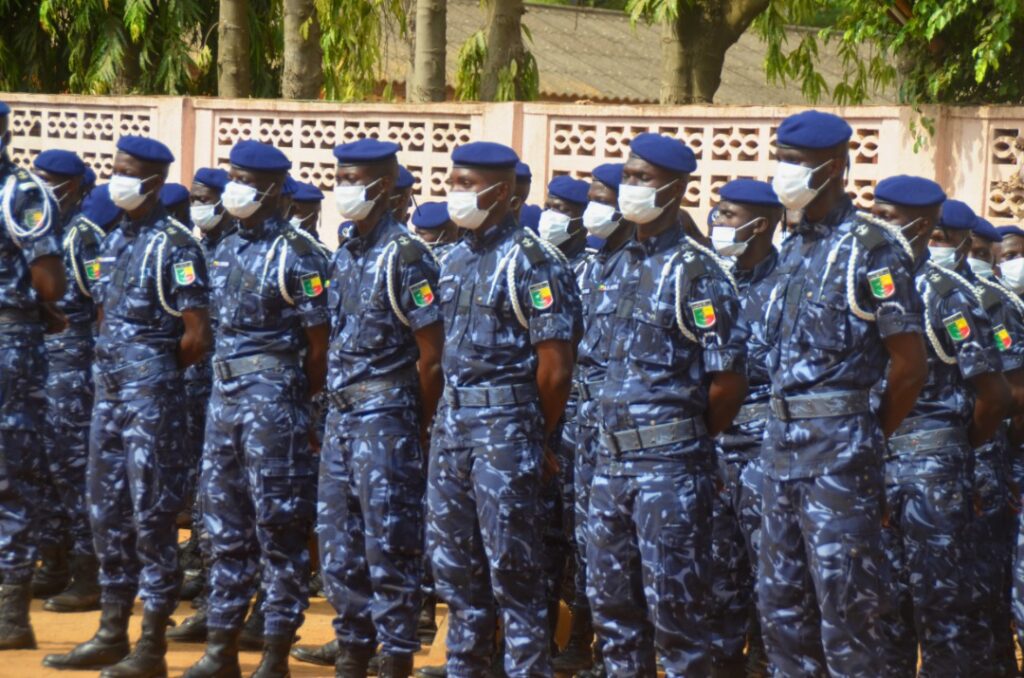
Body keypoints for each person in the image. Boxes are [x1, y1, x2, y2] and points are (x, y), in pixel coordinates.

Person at [758, 110, 928, 676]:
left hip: (840, 460)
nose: (782, 171)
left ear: (832, 169)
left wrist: (868, 436)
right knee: (782, 611)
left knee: (849, 613)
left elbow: (909, 366)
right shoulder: (792, 248)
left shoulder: (872, 249)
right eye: (779, 159)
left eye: (794, 162)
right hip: (779, 455)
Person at [44, 134, 211, 677]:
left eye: (128, 172)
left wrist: (153, 375)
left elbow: (196, 335)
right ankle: (111, 631)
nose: (117, 180)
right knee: (106, 513)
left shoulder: (176, 246)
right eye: (114, 169)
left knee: (153, 517)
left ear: (154, 182)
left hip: (150, 400)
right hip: (108, 397)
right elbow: (102, 315)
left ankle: (151, 645)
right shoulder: (113, 239)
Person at [583, 133, 746, 677]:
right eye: (627, 176)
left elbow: (728, 382)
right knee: (613, 613)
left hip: (670, 469)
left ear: (675, 189)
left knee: (677, 619)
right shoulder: (614, 265)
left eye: (642, 178)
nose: (629, 186)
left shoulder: (698, 272)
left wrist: (684, 440)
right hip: (609, 466)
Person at [427, 141, 579, 677]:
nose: (456, 192)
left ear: (501, 191)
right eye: (453, 182)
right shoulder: (452, 258)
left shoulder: (535, 262)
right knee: (457, 573)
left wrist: (535, 437)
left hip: (506, 431)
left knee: (514, 575)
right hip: (452, 430)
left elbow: (555, 369)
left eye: (466, 184)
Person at [183, 140, 328, 678]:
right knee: (224, 527)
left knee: (278, 528)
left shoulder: (299, 253)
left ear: (271, 190)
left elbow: (321, 346)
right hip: (224, 401)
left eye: (244, 181)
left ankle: (274, 653)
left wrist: (296, 402)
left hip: (273, 404)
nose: (233, 190)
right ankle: (221, 648)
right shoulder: (223, 247)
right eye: (232, 178)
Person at [315, 138, 444, 678]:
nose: (344, 189)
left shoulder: (406, 256)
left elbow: (431, 356)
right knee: (338, 542)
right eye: (340, 178)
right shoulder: (346, 252)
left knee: (388, 542)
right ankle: (353, 649)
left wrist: (418, 423)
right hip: (341, 416)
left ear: (384, 186)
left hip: (385, 418)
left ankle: (395, 655)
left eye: (354, 180)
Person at [872, 176, 1009, 675]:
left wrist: (952, 450)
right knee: (883, 612)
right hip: (873, 467)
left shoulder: (949, 295)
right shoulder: (871, 285)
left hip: (934, 474)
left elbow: (994, 395)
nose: (874, 227)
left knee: (945, 612)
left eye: (886, 218)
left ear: (920, 225)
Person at [937, 202, 1024, 675]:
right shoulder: (913, 290)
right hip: (925, 460)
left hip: (980, 454)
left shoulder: (989, 300)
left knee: (983, 584)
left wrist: (979, 446)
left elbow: (1012, 392)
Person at [705, 179, 783, 678]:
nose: (717, 222)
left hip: (765, 449)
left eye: (728, 215)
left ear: (760, 225)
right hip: (714, 445)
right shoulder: (712, 280)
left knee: (772, 576)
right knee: (717, 574)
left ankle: (765, 663)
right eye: (718, 212)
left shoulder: (788, 284)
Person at [556, 161, 631, 678]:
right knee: (583, 538)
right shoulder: (589, 267)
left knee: (617, 544)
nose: (593, 209)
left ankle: (614, 653)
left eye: (603, 198)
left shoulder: (644, 266)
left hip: (625, 431)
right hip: (580, 425)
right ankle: (582, 641)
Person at [0, 101, 66, 650]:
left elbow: (49, 283)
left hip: (8, 344)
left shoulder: (21, 193)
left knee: (9, 473)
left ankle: (11, 613)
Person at [32, 149, 104, 613]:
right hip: (40, 363)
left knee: (73, 471)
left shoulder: (84, 237)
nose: (40, 187)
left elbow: (103, 307)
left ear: (73, 186)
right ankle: (53, 563)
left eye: (48, 180)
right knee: (41, 469)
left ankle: (87, 573)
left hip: (73, 368)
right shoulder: (38, 228)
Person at [168, 166, 233, 644]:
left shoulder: (236, 248)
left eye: (206, 198)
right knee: (200, 481)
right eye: (195, 198)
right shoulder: (198, 248)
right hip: (198, 381)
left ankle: (224, 595)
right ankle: (200, 563)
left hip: (236, 389)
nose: (199, 206)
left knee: (225, 494)